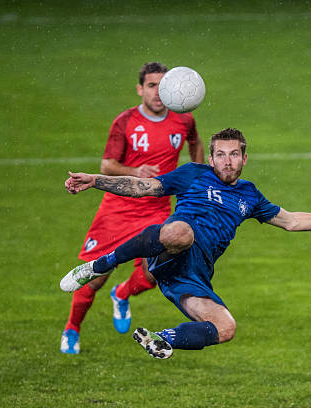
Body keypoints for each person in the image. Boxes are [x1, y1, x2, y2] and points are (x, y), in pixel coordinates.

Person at [61, 128, 311, 359]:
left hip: (192, 274)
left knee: (225, 327)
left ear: (245, 159)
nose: (227, 161)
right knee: (182, 233)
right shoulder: (193, 174)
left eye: (234, 154)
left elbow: (292, 221)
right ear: (210, 158)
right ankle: (101, 264)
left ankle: (163, 338)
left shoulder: (250, 195)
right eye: (220, 154)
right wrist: (96, 179)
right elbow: (144, 187)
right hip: (169, 247)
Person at [60, 62, 205, 354]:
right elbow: (106, 165)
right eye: (151, 86)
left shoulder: (184, 120)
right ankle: (72, 329)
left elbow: (195, 142)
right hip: (118, 210)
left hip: (157, 209)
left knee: (155, 274)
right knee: (95, 276)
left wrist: (198, 174)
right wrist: (134, 171)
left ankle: (122, 293)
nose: (158, 93)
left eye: (162, 86)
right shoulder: (124, 122)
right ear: (140, 89)